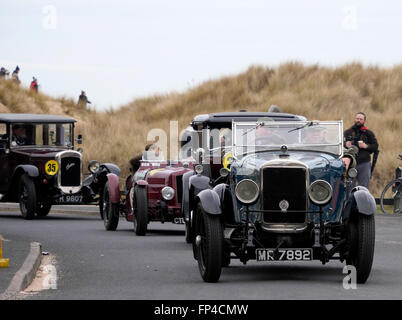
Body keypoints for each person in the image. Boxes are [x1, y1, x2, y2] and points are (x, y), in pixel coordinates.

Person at [344, 112, 378, 189]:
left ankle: (362, 201)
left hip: (364, 163)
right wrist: (346, 144)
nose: (358, 120)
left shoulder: (368, 133)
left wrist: (366, 146)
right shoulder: (347, 132)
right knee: (348, 187)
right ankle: (349, 201)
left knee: (364, 187)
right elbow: (340, 144)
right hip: (350, 164)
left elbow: (375, 146)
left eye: (360, 119)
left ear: (364, 121)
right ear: (354, 119)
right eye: (357, 118)